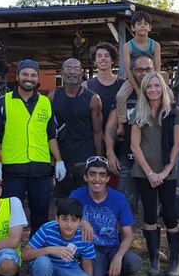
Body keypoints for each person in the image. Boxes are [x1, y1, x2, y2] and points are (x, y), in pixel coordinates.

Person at [0, 59, 65, 235]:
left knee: (40, 213)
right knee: (11, 215)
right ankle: (9, 252)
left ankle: (37, 253)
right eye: (25, 74)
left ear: (37, 78)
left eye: (33, 75)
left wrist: (59, 161)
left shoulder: (45, 102)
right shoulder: (3, 102)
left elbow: (51, 135)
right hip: (12, 168)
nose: (28, 78)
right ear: (17, 76)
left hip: (40, 168)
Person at [130, 72, 179, 276]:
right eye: (149, 86)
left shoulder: (173, 111)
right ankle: (154, 260)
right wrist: (150, 172)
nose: (153, 90)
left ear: (163, 88)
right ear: (144, 89)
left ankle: (174, 260)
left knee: (170, 215)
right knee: (150, 213)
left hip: (166, 173)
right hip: (143, 173)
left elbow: (177, 143)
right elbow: (134, 146)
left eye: (157, 86)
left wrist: (165, 171)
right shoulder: (139, 112)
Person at [23, 198, 103, 276]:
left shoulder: (84, 235)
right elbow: (25, 255)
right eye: (64, 219)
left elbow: (87, 263)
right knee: (42, 262)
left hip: (69, 268)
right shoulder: (47, 229)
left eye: (74, 220)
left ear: (80, 221)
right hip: (46, 267)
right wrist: (50, 249)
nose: (69, 224)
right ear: (57, 218)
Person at [69, 156, 142, 276]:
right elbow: (64, 220)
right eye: (92, 174)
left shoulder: (118, 198)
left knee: (133, 262)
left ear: (108, 179)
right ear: (85, 177)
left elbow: (129, 234)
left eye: (102, 175)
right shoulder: (77, 195)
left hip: (113, 247)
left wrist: (119, 256)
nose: (97, 179)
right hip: (92, 248)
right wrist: (81, 221)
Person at [105, 54, 153, 208]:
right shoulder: (125, 94)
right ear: (133, 71)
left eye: (148, 69)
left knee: (153, 206)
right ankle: (123, 232)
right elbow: (111, 126)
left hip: (155, 159)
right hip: (128, 157)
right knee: (124, 204)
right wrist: (110, 153)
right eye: (140, 70)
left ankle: (153, 232)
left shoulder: (159, 92)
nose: (144, 73)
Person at [50, 57, 103, 200]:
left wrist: (97, 159)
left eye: (76, 68)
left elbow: (98, 132)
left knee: (85, 199)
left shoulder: (93, 99)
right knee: (63, 200)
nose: (72, 72)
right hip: (62, 156)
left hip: (84, 154)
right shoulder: (53, 97)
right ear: (62, 72)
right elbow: (48, 131)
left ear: (81, 72)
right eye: (68, 68)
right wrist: (53, 159)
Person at [84, 42, 125, 164]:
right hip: (93, 141)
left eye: (107, 55)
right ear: (94, 61)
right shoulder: (86, 86)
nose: (103, 59)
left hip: (118, 140)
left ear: (113, 60)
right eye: (99, 56)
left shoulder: (123, 85)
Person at [119, 11, 162, 98]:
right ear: (133, 27)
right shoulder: (127, 46)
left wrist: (153, 83)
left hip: (150, 77)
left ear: (150, 27)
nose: (142, 26)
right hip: (134, 79)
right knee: (120, 96)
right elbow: (127, 70)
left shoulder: (155, 45)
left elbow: (157, 68)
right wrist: (137, 89)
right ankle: (122, 112)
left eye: (145, 24)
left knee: (170, 95)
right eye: (139, 24)